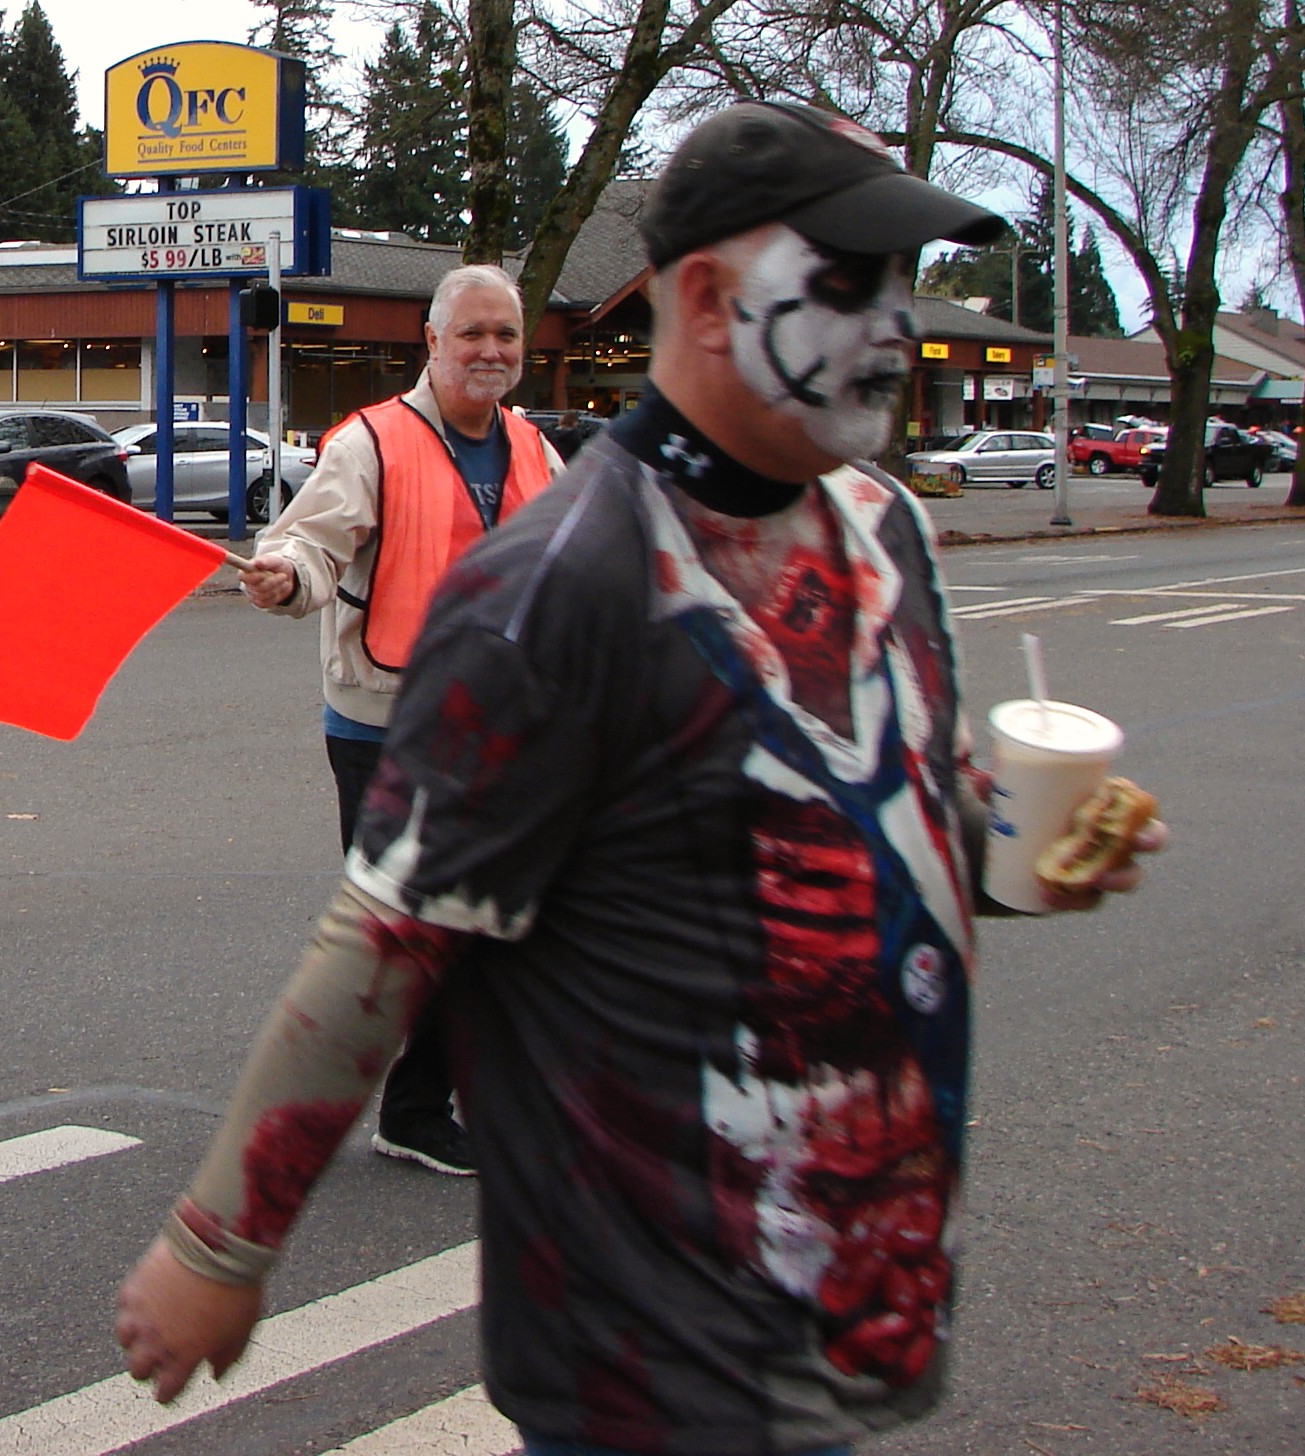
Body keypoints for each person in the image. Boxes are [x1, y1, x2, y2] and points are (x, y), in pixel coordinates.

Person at [116, 103, 1166, 1455]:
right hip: (643, 1350)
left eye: (901, 285)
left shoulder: (886, 529)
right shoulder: (557, 590)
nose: (896, 330)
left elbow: (891, 822)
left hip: (849, 1310)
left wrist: (1016, 848)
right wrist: (220, 1243)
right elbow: (384, 941)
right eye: (852, 282)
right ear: (711, 298)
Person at [237, 263, 563, 1177]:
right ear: (432, 342)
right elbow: (306, 543)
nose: (491, 350)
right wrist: (287, 578)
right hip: (385, 725)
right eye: (472, 334)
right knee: (408, 935)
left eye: (506, 334)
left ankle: (419, 1108)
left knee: (483, 924)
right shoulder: (370, 442)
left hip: (498, 728)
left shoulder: (533, 447)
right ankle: (345, 1104)